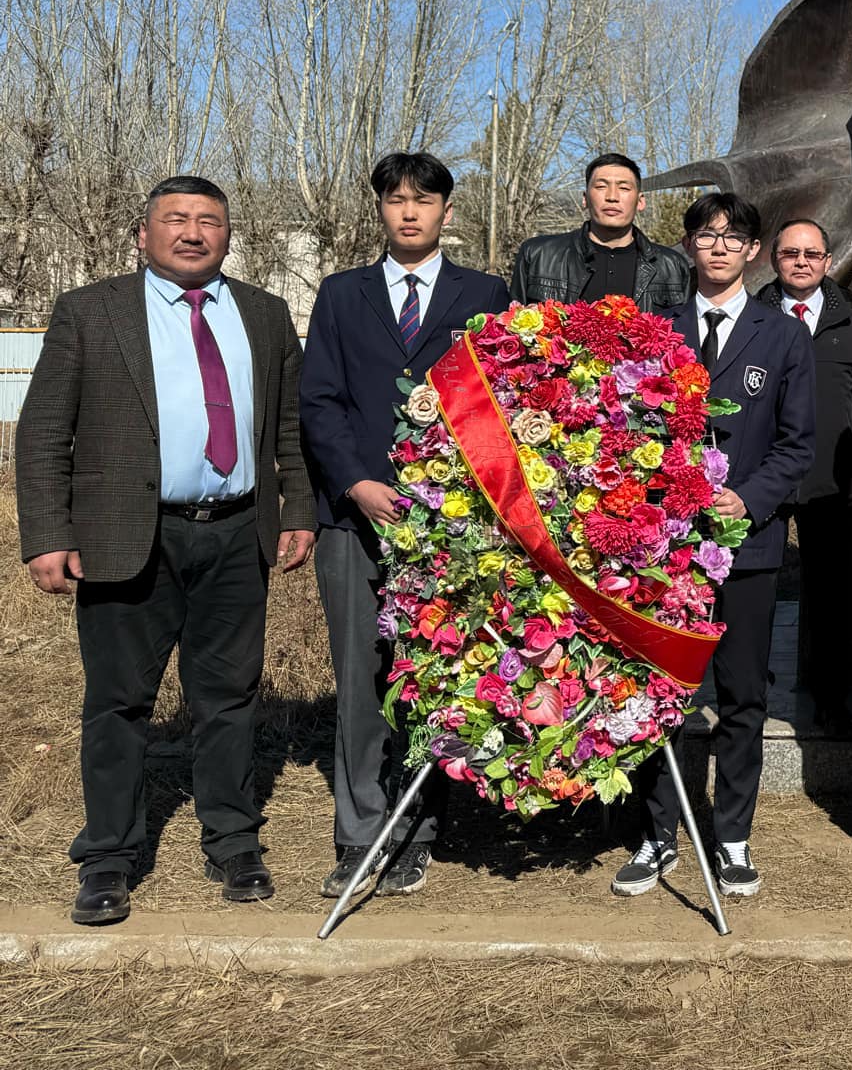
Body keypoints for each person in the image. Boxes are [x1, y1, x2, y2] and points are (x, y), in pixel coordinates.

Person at [16, 175, 316, 926]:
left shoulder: (265, 314)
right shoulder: (91, 312)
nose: (192, 232)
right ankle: (109, 857)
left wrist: (298, 509)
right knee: (118, 703)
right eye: (175, 219)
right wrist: (49, 534)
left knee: (229, 698)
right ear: (143, 234)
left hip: (237, 531)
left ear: (227, 234)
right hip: (127, 538)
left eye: (208, 221)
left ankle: (234, 841)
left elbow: (287, 430)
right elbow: (44, 430)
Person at [300, 151, 510, 900]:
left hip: (450, 526)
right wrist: (357, 485)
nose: (411, 212)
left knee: (429, 676)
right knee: (361, 679)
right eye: (397, 200)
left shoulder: (486, 293)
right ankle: (359, 833)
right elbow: (319, 400)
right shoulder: (341, 294)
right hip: (356, 522)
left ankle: (416, 829)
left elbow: (501, 401)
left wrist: (447, 493)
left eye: (425, 200)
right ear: (381, 210)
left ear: (447, 211)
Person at [616, 193, 815, 902]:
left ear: (754, 251)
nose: (721, 247)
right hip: (664, 552)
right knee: (662, 689)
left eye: (735, 237)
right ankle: (658, 834)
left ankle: (732, 836)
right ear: (689, 245)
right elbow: (627, 431)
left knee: (742, 696)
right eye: (708, 235)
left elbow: (798, 444)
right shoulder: (656, 330)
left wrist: (751, 499)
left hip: (749, 546)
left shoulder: (783, 336)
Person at [755, 217, 852, 735]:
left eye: (811, 254)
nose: (801, 262)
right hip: (762, 480)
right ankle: (751, 696)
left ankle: (830, 701)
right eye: (790, 254)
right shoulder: (751, 318)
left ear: (828, 262)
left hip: (830, 479)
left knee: (830, 596)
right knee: (755, 591)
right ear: (774, 260)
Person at [506, 153, 693, 310]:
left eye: (624, 188)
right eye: (601, 186)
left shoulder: (672, 267)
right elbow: (511, 334)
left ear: (640, 201)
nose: (612, 197)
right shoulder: (539, 255)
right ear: (585, 199)